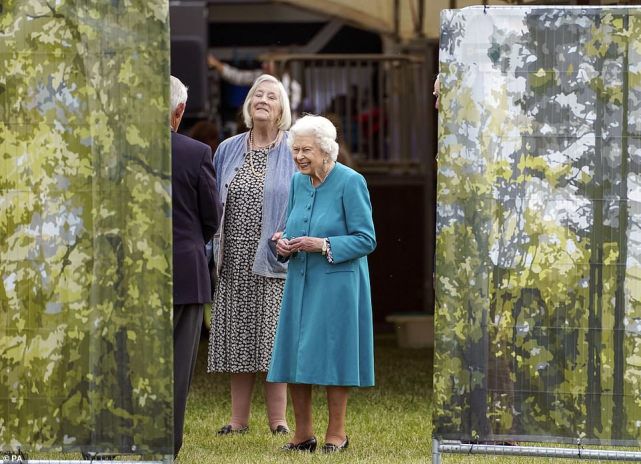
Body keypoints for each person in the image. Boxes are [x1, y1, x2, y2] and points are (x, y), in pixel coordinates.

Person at [268, 115, 376, 453]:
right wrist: (283, 242)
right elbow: (290, 226)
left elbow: (366, 238)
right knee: (295, 356)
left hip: (337, 285)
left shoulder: (350, 181)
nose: (299, 156)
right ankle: (303, 435)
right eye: (295, 150)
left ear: (326, 151)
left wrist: (324, 244)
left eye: (306, 150)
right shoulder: (298, 182)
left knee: (333, 356)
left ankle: (337, 434)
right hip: (300, 281)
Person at [207, 74, 297, 435]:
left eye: (271, 96)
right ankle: (237, 420)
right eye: (257, 94)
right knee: (238, 338)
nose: (262, 99)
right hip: (233, 258)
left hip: (274, 257)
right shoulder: (227, 148)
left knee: (273, 340)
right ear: (247, 105)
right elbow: (212, 200)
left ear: (281, 109)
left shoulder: (293, 149)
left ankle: (278, 421)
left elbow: (304, 198)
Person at [170, 76, 222, 458]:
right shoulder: (195, 152)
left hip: (127, 274)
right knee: (176, 363)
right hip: (184, 271)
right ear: (180, 111)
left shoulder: (117, 152)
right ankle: (166, 442)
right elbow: (212, 217)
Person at [208, 53, 302, 114]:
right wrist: (217, 65)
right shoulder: (260, 76)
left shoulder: (293, 86)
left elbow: (287, 110)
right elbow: (237, 76)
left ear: (278, 65)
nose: (263, 65)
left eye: (268, 62)